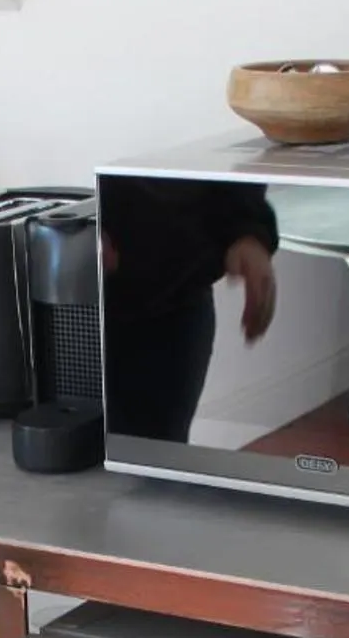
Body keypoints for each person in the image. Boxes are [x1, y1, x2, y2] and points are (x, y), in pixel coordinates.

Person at [97, 177, 279, 445]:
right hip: (56, 296)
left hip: (173, 305)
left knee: (155, 469)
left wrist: (248, 231)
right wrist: (88, 219)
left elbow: (225, 162)